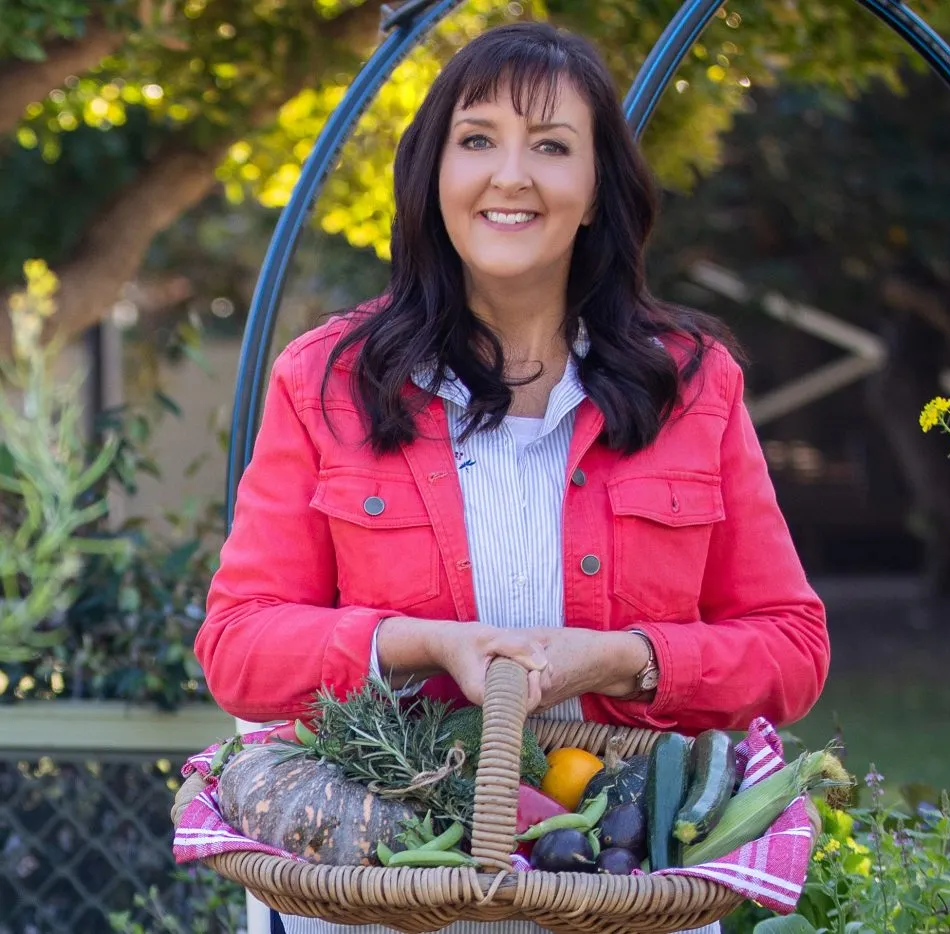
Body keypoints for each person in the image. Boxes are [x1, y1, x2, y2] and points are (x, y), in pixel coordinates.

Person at [195, 20, 830, 934]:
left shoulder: (693, 384)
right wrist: (421, 643)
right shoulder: (327, 379)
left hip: (617, 887)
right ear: (433, 174)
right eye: (478, 139)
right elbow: (239, 648)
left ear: (597, 189)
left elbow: (790, 647)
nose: (511, 175)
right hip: (377, 887)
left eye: (552, 146)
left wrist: (626, 659)